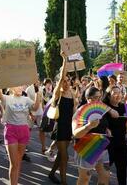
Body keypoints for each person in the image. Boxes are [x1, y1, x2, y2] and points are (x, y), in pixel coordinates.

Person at [73, 87, 119, 185]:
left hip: (102, 147)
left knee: (105, 176)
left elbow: (104, 123)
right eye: (95, 98)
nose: (98, 100)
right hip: (86, 148)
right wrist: (88, 127)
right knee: (85, 178)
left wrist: (106, 129)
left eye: (99, 97)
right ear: (88, 99)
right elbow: (75, 133)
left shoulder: (101, 108)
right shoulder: (80, 111)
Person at [0, 82, 41, 185]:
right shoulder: (7, 98)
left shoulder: (26, 99)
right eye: (17, 85)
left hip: (24, 132)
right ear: (11, 88)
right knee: (14, 163)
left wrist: (37, 92)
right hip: (11, 131)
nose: (20, 87)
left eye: (21, 85)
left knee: (18, 162)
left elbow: (35, 107)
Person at [48, 52, 78, 185]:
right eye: (63, 81)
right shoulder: (57, 93)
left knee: (61, 155)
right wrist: (65, 60)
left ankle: (51, 173)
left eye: (67, 81)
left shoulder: (72, 93)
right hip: (59, 127)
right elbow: (61, 78)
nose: (65, 83)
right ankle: (64, 182)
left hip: (68, 128)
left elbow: (74, 112)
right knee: (65, 157)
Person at [103, 86, 127, 185]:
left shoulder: (123, 107)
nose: (118, 95)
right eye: (115, 93)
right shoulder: (104, 106)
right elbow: (96, 105)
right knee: (104, 171)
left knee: (122, 170)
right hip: (108, 144)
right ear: (109, 96)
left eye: (120, 93)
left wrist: (126, 132)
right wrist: (106, 128)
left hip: (121, 142)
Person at [26, 81, 46, 153]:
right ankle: (25, 146)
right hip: (32, 112)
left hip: (40, 112)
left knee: (42, 130)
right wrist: (30, 114)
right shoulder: (28, 89)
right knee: (28, 130)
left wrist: (44, 111)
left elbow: (42, 101)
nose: (37, 80)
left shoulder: (40, 88)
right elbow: (26, 103)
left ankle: (43, 147)